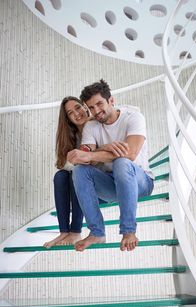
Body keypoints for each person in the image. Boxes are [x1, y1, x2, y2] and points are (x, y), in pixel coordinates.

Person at [67, 79, 154, 252]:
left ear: (111, 100)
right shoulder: (91, 127)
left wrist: (92, 154)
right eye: (90, 108)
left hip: (141, 182)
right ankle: (97, 232)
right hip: (111, 184)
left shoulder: (134, 118)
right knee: (79, 171)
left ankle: (129, 230)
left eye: (99, 104)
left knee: (122, 162)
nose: (96, 111)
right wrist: (103, 149)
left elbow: (131, 153)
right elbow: (86, 158)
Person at [44, 96, 92, 248]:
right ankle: (64, 231)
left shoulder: (97, 126)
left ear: (85, 106)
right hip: (79, 180)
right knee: (60, 176)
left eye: (77, 107)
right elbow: (63, 165)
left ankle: (76, 231)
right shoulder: (72, 136)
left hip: (97, 182)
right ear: (68, 119)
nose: (76, 114)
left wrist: (78, 160)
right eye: (70, 113)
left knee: (77, 173)